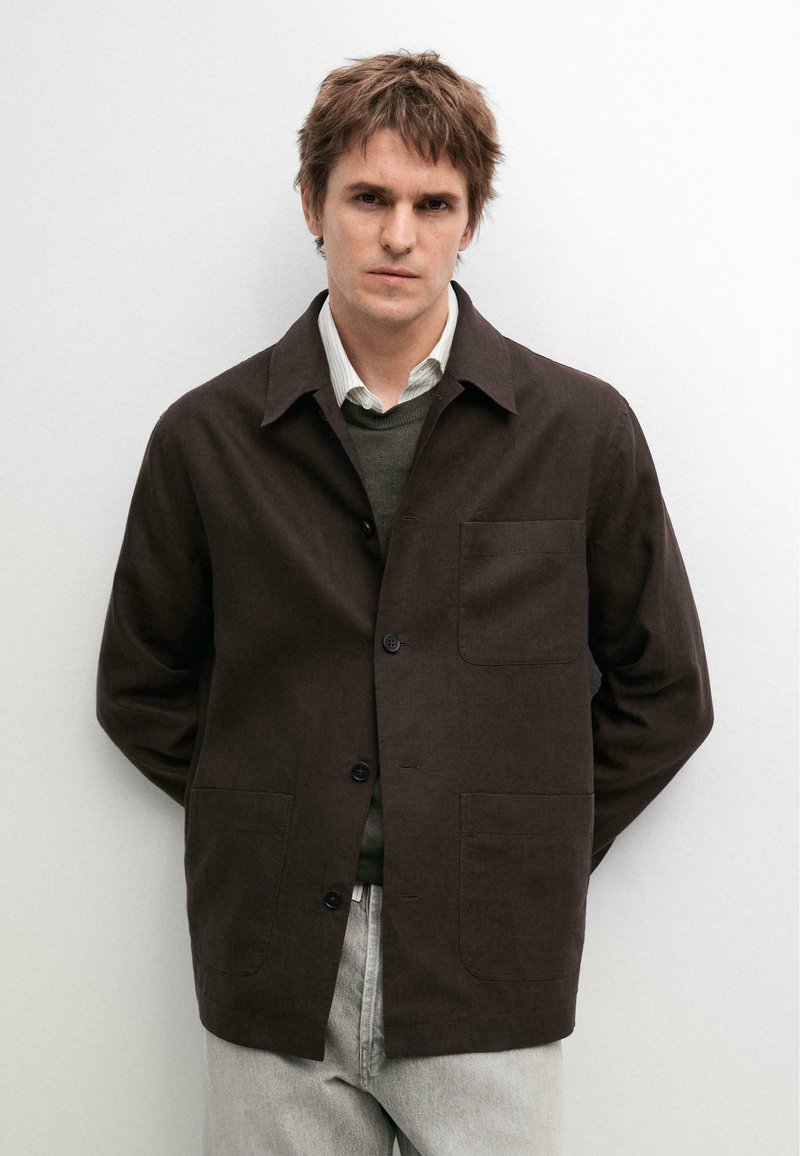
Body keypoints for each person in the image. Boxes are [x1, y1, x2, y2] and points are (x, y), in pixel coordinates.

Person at [96, 49, 714, 1155]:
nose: (398, 235)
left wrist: (523, 838)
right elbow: (140, 688)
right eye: (368, 197)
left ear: (469, 220)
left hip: (491, 968)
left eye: (434, 205)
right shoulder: (205, 439)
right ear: (312, 204)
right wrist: (270, 816)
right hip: (273, 970)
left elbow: (665, 691)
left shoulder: (581, 432)